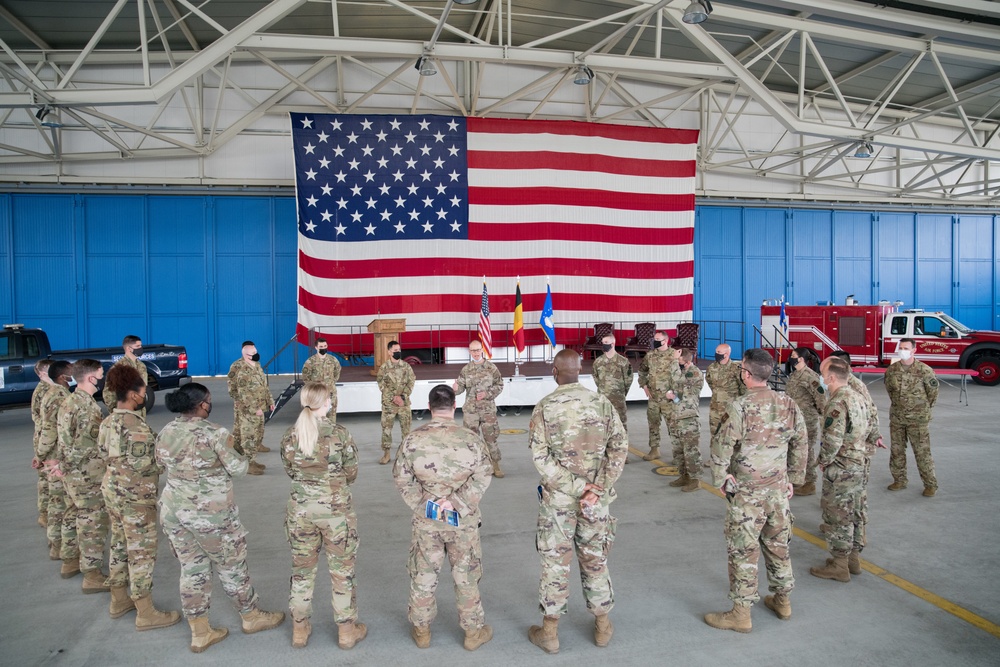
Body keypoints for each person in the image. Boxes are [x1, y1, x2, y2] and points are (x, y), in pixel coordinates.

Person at [156, 383, 284, 653]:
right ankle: (251, 617)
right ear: (202, 405)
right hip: (210, 515)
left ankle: (200, 631)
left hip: (175, 511)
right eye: (209, 400)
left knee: (192, 569)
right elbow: (238, 469)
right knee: (232, 566)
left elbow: (160, 463)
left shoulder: (167, 430)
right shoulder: (214, 433)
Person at [528, 350, 628, 654]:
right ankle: (602, 627)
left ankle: (550, 633)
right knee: (595, 559)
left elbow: (540, 457)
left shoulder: (545, 407)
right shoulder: (602, 403)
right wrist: (597, 488)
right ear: (581, 369)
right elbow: (619, 448)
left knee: (555, 563)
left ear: (555, 372)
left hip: (559, 501)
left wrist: (576, 486)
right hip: (595, 501)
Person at [705, 349, 807, 633]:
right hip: (777, 490)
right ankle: (783, 601)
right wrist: (793, 479)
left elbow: (722, 444)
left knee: (743, 550)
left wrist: (720, 476)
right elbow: (801, 442)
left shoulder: (740, 406)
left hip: (748, 493)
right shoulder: (788, 403)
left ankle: (741, 614)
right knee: (778, 546)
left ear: (746, 374)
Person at [392, 385, 493, 651]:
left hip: (428, 522)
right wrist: (457, 502)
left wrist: (427, 504)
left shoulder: (412, 440)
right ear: (455, 405)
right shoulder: (471, 439)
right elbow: (484, 474)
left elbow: (402, 478)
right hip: (463, 521)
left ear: (429, 407)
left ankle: (422, 631)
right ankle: (473, 634)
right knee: (466, 576)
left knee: (424, 574)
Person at [280, 382, 366, 650]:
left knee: (302, 572)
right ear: (325, 402)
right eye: (329, 398)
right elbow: (351, 473)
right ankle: (346, 632)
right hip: (335, 512)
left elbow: (291, 472)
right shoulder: (339, 434)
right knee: (342, 573)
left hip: (301, 511)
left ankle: (299, 630)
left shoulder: (291, 435)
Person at [100, 363, 181, 630]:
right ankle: (145, 612)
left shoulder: (108, 421)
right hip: (135, 497)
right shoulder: (135, 426)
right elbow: (147, 464)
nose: (144, 395)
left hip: (113, 491)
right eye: (143, 390)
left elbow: (103, 453)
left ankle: (118, 600)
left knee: (119, 545)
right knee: (141, 553)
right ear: (134, 395)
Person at [810, 357, 869, 583]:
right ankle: (853, 559)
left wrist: (823, 461)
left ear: (832, 377)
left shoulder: (837, 402)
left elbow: (832, 441)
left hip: (841, 468)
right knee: (855, 512)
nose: (821, 378)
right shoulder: (858, 397)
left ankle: (839, 564)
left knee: (837, 515)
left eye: (823, 374)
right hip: (857, 464)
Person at [56, 359, 110, 592]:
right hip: (86, 475)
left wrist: (62, 464)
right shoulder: (87, 407)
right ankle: (92, 574)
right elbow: (88, 445)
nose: (102, 379)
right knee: (92, 522)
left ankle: (69, 561)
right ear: (91, 378)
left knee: (72, 514)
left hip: (71, 473)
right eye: (100, 374)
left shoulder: (69, 401)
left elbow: (65, 439)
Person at [885, 338, 939, 496]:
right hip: (897, 418)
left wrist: (923, 410)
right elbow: (890, 391)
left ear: (914, 350)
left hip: (918, 419)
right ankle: (899, 479)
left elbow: (933, 394)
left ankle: (930, 484)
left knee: (922, 452)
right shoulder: (892, 370)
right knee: (896, 450)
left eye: (906, 348)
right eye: (900, 347)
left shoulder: (924, 370)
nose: (903, 350)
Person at [36, 360, 73, 562]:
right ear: (62, 377)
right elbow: (49, 430)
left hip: (57, 456)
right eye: (71, 372)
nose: (74, 374)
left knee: (59, 502)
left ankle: (56, 544)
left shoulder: (60, 393)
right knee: (59, 502)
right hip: (56, 457)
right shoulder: (57, 396)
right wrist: (41, 456)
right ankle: (57, 546)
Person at [453, 340, 505, 477]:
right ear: (469, 351)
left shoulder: (491, 368)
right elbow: (461, 388)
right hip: (471, 411)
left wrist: (487, 394)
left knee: (491, 438)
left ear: (482, 350)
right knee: (471, 440)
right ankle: (473, 467)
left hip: (487, 410)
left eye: (477, 350)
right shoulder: (466, 369)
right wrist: (455, 389)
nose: (476, 353)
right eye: (473, 351)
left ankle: (495, 465)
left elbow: (499, 385)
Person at [783, 348, 827, 496]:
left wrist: (821, 417)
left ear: (801, 359)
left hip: (807, 419)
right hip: (793, 419)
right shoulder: (795, 375)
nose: (791, 358)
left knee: (806, 451)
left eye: (794, 356)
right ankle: (797, 480)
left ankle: (810, 482)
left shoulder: (811, 377)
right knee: (795, 450)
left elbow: (821, 399)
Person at [227, 341, 274, 474]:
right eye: (253, 353)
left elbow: (264, 385)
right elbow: (242, 393)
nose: (256, 354)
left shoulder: (257, 366)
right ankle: (247, 463)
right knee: (248, 435)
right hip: (248, 408)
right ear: (246, 354)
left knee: (256, 433)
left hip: (260, 405)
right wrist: (252, 408)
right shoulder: (242, 370)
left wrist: (270, 400)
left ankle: (251, 460)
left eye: (256, 351)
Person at [637, 331, 679, 462]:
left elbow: (681, 375)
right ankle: (654, 449)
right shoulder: (650, 355)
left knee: (673, 425)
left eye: (658, 339)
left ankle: (678, 454)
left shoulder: (674, 355)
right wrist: (644, 385)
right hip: (654, 397)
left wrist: (676, 393)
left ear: (666, 341)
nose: (654, 341)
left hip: (669, 398)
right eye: (654, 338)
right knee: (653, 423)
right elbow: (642, 370)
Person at [591, 333, 633, 462]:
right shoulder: (598, 362)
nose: (604, 344)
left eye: (606, 342)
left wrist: (620, 393)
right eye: (603, 342)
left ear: (613, 344)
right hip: (603, 400)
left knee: (621, 426)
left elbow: (628, 380)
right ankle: (607, 453)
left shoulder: (623, 361)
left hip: (618, 399)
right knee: (604, 426)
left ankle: (623, 454)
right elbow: (596, 379)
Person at [669, 349, 704, 492]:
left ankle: (695, 480)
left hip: (688, 418)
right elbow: (678, 391)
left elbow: (678, 383)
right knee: (678, 450)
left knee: (691, 451)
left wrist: (672, 361)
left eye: (680, 362)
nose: (678, 364)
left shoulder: (693, 373)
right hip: (677, 416)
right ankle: (684, 475)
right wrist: (673, 397)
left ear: (688, 362)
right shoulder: (682, 372)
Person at [377, 340, 415, 465]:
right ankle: (386, 454)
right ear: (389, 352)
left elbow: (411, 382)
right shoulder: (384, 368)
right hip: (389, 404)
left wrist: (402, 397)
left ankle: (405, 454)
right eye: (395, 351)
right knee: (386, 429)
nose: (398, 352)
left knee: (406, 429)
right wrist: (394, 397)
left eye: (399, 350)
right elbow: (381, 385)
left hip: (404, 403)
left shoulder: (406, 366)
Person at [30, 358, 55, 528]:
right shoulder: (43, 392)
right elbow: (43, 423)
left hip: (49, 438)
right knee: (45, 479)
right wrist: (41, 450)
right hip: (44, 439)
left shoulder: (52, 389)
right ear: (42, 374)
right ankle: (44, 513)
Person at [705, 343, 745, 447]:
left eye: (719, 352)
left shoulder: (736, 368)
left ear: (726, 354)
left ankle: (733, 461)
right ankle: (714, 459)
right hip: (715, 407)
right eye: (716, 352)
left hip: (730, 409)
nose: (716, 354)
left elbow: (742, 386)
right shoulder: (711, 367)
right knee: (715, 433)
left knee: (732, 434)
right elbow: (710, 381)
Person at [102, 335, 148, 416]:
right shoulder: (119, 368)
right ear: (128, 348)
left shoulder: (142, 366)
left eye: (141, 346)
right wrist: (115, 412)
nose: (140, 348)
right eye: (137, 346)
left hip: (139, 412)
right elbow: (108, 393)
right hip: (125, 412)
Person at [301, 337, 341, 421]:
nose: (323, 348)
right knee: (316, 416)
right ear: (316, 347)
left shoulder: (333, 360)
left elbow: (337, 371)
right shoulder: (310, 361)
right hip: (317, 394)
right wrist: (313, 388)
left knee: (332, 415)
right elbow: (305, 377)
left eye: (325, 346)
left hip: (330, 393)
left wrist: (332, 382)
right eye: (321, 347)